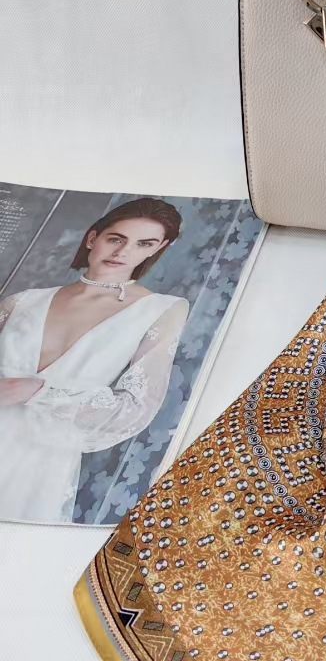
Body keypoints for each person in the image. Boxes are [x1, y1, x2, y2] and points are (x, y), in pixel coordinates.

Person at [0, 197, 189, 523]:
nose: (123, 252)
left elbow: (136, 409)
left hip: (39, 457)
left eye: (144, 243)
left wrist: (36, 391)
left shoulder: (162, 309)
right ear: (92, 238)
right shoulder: (22, 301)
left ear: (158, 249)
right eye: (116, 239)